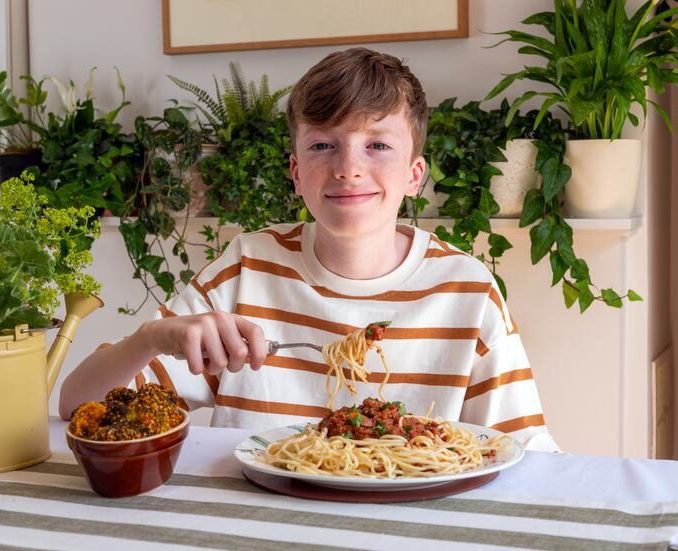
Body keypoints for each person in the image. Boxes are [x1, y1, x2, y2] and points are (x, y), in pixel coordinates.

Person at [59, 47, 559, 451]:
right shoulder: (244, 270)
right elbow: (74, 403)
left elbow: (524, 452)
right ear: (296, 174)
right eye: (323, 145)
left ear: (414, 175)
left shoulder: (466, 290)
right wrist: (149, 338)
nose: (348, 168)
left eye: (377, 145)